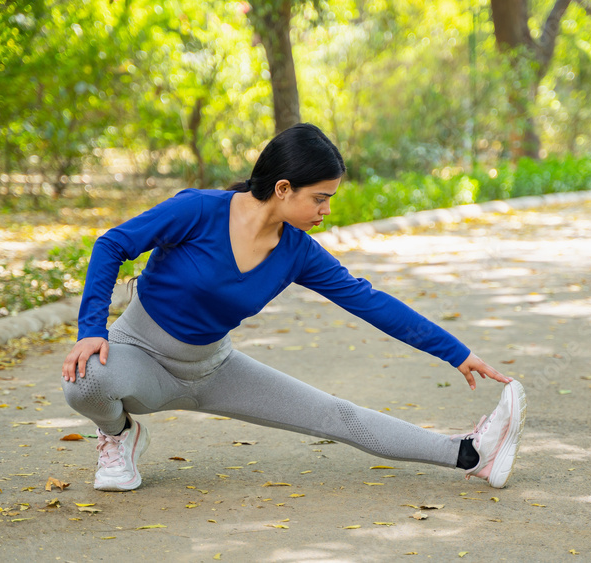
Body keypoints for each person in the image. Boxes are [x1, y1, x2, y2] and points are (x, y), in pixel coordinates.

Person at [61, 123, 525, 492]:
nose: (326, 210)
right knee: (87, 379)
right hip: (139, 355)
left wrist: (456, 352)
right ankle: (120, 435)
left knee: (337, 416)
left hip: (213, 368)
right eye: (320, 198)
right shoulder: (198, 211)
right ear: (283, 187)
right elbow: (113, 244)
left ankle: (470, 453)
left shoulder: (297, 251)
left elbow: (370, 303)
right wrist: (91, 328)